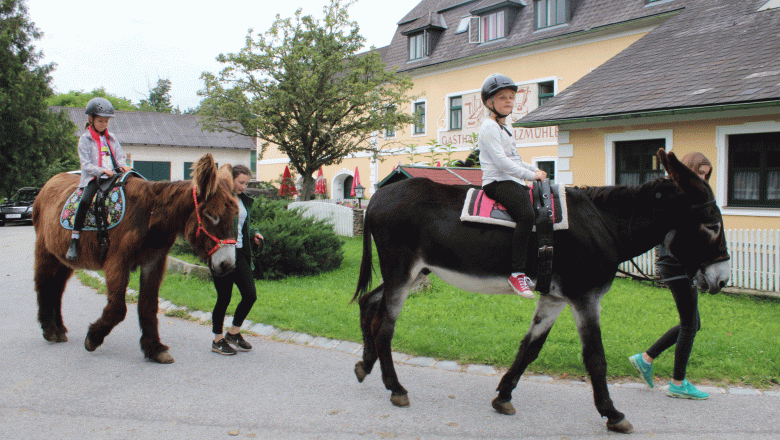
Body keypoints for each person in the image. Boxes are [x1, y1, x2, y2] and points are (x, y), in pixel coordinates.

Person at [628, 152, 714, 400]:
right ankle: (678, 383)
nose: (703, 178)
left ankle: (646, 358)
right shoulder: (679, 196)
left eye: (706, 175)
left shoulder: (683, 194)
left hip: (676, 264)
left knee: (693, 323)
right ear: (689, 170)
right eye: (700, 173)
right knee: (689, 324)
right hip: (677, 264)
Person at [478, 73, 547, 299]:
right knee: (526, 216)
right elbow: (502, 163)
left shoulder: (505, 128)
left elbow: (515, 159)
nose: (508, 101)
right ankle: (517, 274)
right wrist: (531, 175)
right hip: (497, 182)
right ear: (490, 102)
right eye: (502, 97)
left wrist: (534, 170)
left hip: (511, 179)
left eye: (511, 97)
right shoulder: (489, 127)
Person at [66, 98, 132, 261]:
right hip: (94, 178)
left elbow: (119, 156)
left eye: (106, 121)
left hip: (114, 176)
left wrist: (123, 165)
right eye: (100, 120)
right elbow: (85, 165)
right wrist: (102, 170)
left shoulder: (112, 137)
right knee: (84, 201)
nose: (103, 124)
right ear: (91, 119)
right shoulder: (85, 139)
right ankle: (74, 239)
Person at [211, 164, 264, 355]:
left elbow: (243, 226)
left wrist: (254, 233)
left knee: (250, 295)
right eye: (240, 182)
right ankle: (217, 339)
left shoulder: (243, 201)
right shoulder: (219, 199)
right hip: (222, 253)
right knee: (224, 298)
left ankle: (233, 333)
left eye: (246, 184)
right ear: (230, 180)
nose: (243, 187)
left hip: (240, 253)